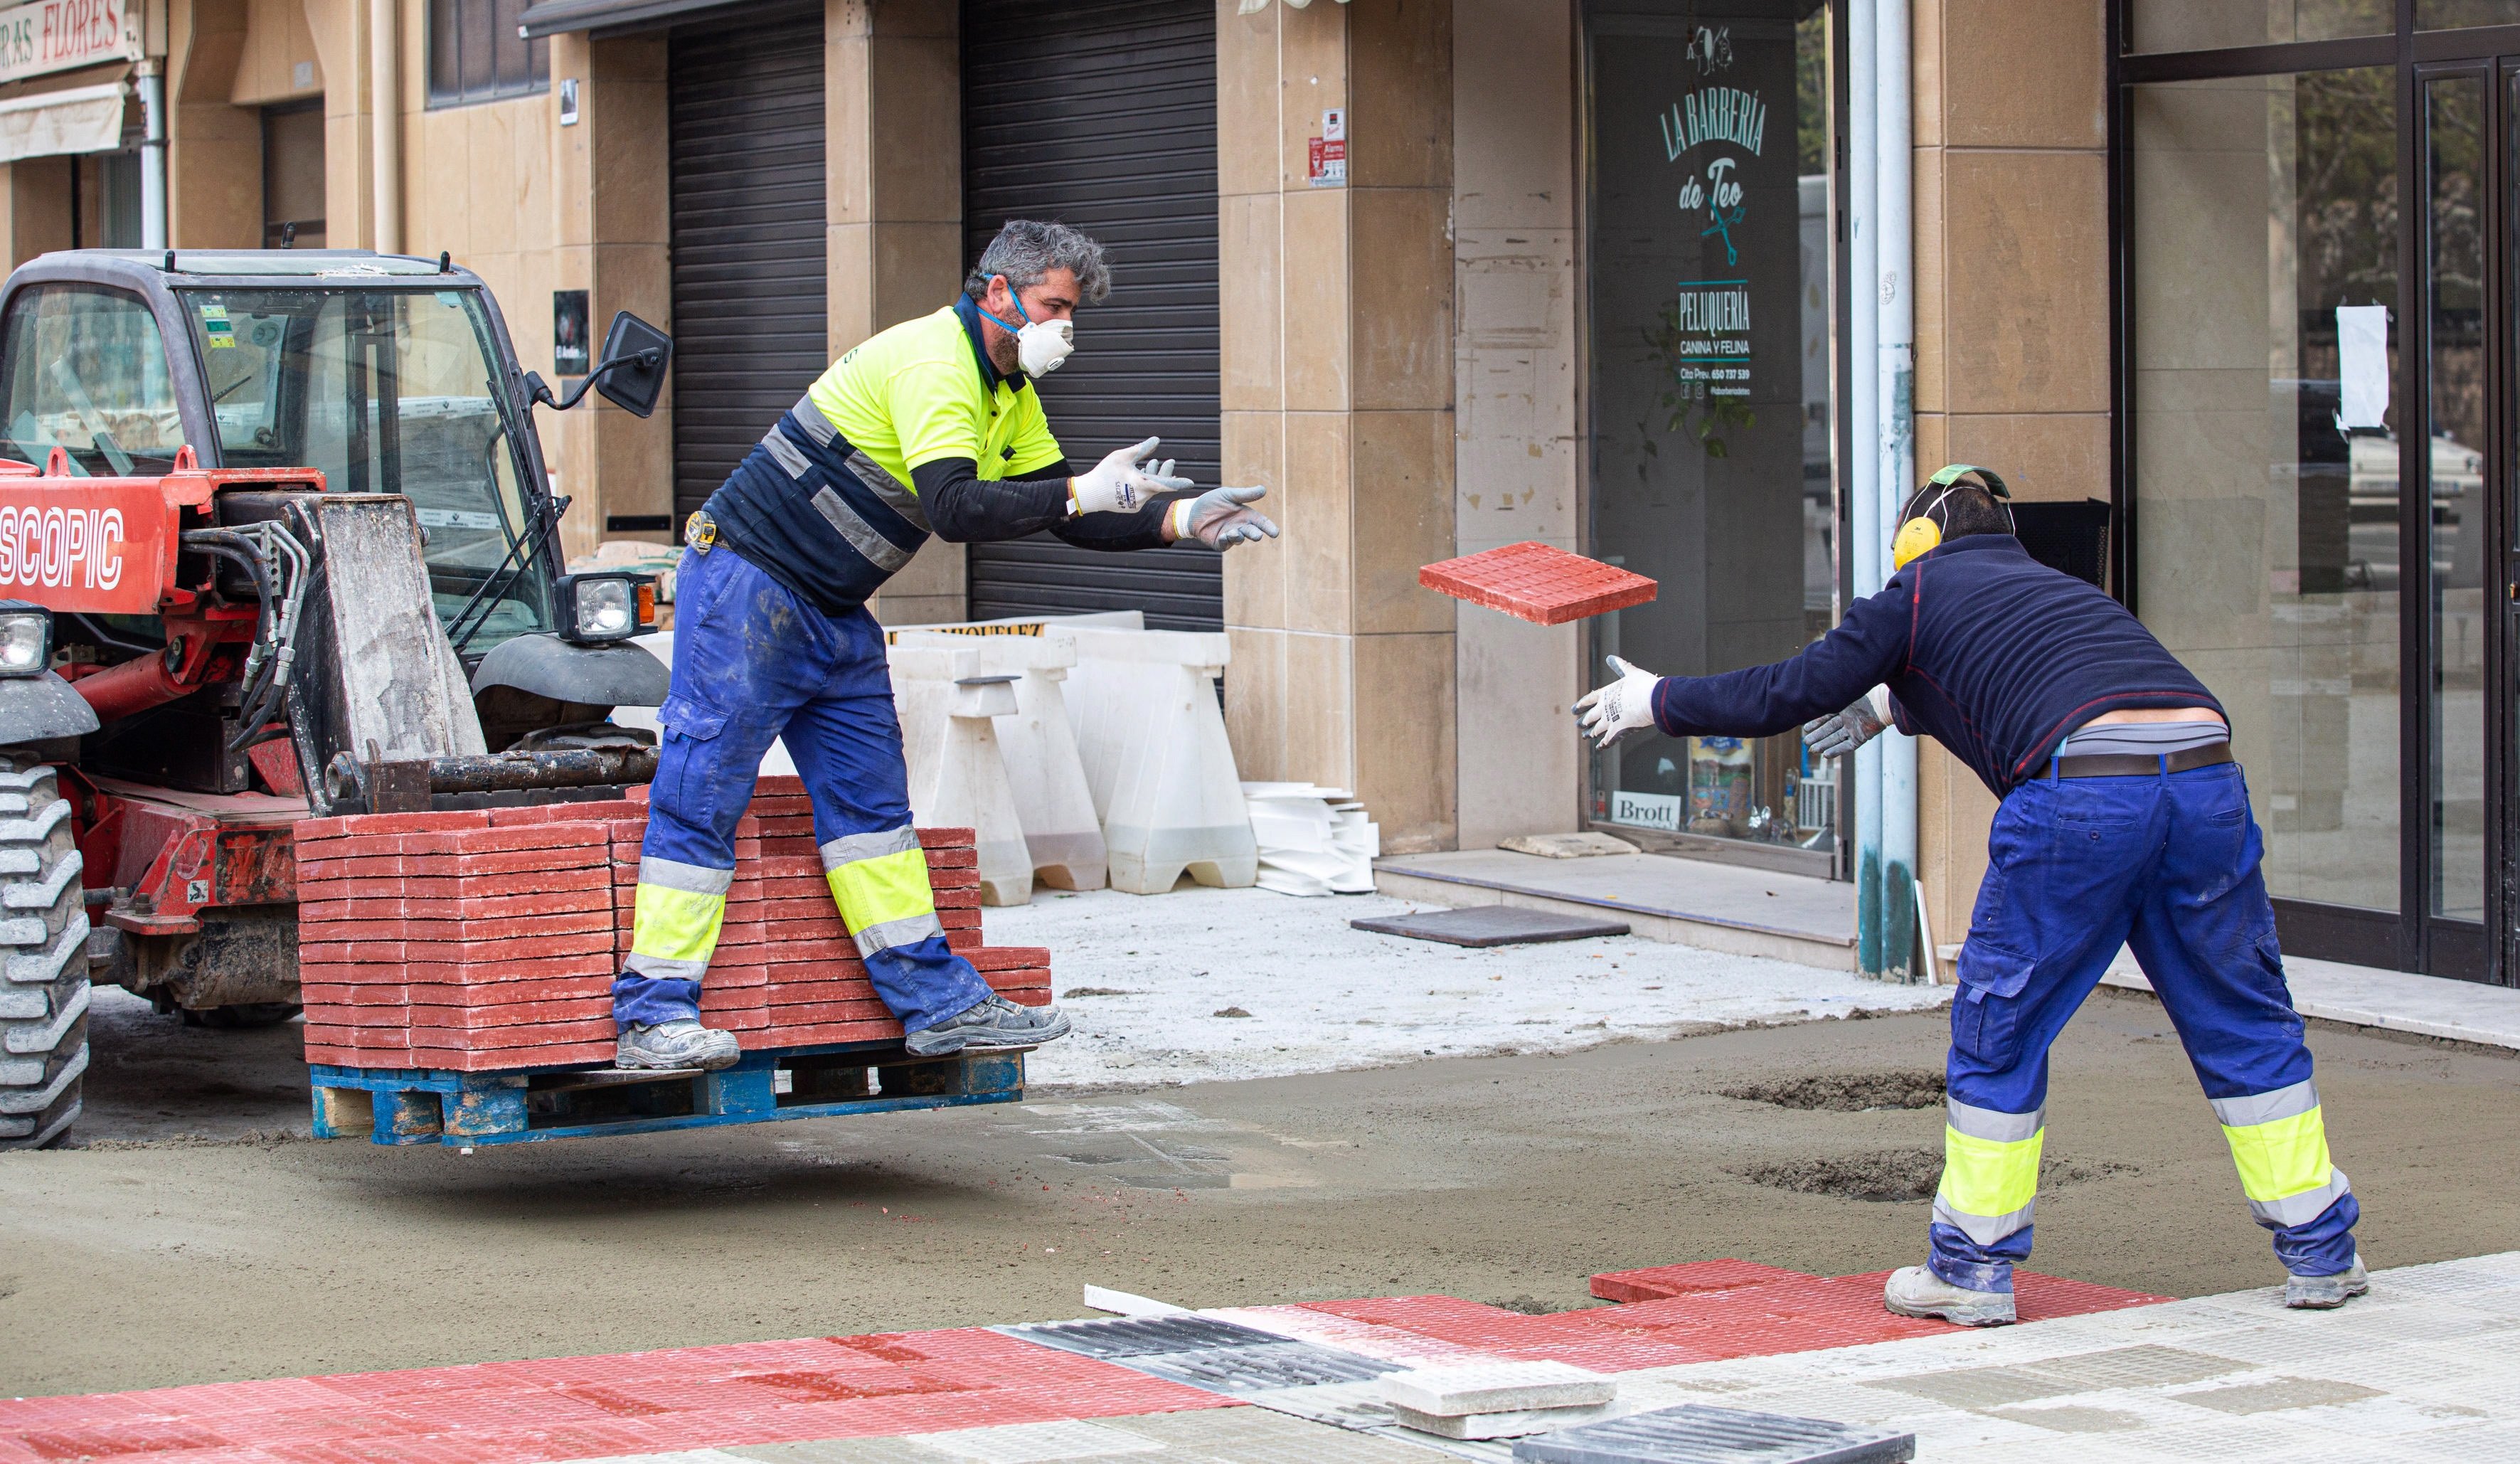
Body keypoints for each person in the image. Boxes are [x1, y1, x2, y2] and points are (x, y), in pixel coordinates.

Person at [1573, 464, 2365, 1325]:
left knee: (2001, 1030)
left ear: (1917, 543)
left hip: (2083, 803)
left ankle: (1971, 1267)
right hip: (2206, 782)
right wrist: (1891, 707)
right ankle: (2322, 1250)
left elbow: (1788, 691)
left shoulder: (1914, 592)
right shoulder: (2063, 592)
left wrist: (1659, 699)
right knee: (2244, 1018)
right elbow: (2016, 677)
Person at [614, 219, 1279, 1071]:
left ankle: (937, 1007)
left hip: (830, 605)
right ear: (997, 291)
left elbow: (1055, 510)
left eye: (1072, 314)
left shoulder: (1010, 394)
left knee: (872, 820)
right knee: (702, 795)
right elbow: (961, 508)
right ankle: (652, 1014)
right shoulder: (936, 361)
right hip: (749, 585)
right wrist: (1082, 490)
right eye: (1053, 308)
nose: (1063, 330)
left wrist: (1180, 519)